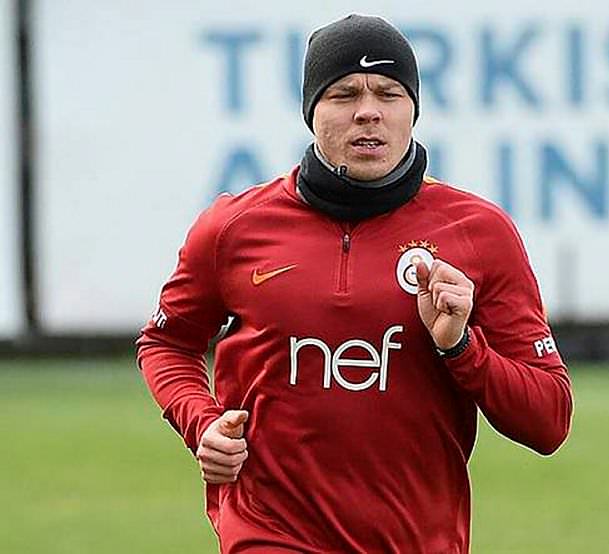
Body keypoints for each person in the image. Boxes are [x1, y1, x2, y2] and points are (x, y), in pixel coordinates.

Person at [137, 13, 573, 554]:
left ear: (413, 110)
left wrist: (461, 348)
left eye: (389, 93)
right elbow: (167, 342)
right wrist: (201, 423)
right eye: (344, 94)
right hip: (269, 532)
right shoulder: (234, 227)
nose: (368, 111)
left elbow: (548, 421)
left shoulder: (478, 232)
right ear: (311, 112)